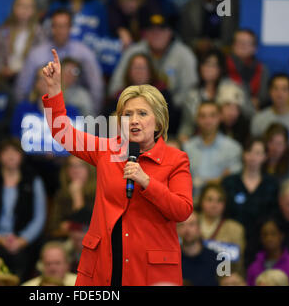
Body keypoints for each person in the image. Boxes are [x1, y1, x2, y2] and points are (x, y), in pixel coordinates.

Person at [42, 49, 193, 286]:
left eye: (142, 113)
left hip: (149, 272)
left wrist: (147, 182)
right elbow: (63, 134)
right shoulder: (107, 150)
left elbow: (182, 210)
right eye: (127, 114)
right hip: (103, 266)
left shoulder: (176, 159)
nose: (134, 120)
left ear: (159, 121)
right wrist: (54, 90)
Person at [0, 138, 47, 282]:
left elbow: (40, 217)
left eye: (15, 151)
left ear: (21, 155)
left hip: (24, 241)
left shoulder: (33, 179)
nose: (11, 156)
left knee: (27, 257)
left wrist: (21, 240)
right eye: (6, 152)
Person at [15, 9, 104, 113]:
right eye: (56, 26)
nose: (60, 30)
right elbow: (22, 87)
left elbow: (96, 86)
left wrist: (94, 115)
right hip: (42, 101)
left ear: (70, 28)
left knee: (83, 97)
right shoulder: (36, 54)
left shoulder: (84, 53)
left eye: (64, 26)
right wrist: (25, 109)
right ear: (51, 28)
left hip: (74, 101)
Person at [11, 68, 80, 198]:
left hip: (60, 166)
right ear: (35, 84)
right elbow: (14, 139)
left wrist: (58, 154)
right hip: (29, 163)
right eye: (42, 78)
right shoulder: (23, 109)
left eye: (51, 78)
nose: (46, 82)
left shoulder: (71, 111)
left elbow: (76, 145)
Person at [109, 13, 197, 111]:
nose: (156, 34)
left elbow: (190, 90)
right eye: (151, 30)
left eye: (161, 29)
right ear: (145, 33)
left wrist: (161, 108)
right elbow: (115, 87)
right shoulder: (133, 52)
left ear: (170, 32)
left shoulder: (184, 55)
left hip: (173, 111)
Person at [178, 49, 250, 142]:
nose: (208, 68)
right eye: (205, 64)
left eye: (213, 65)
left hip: (230, 136)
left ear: (221, 68)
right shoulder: (192, 94)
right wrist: (183, 137)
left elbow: (248, 114)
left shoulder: (233, 88)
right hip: (200, 138)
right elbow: (187, 124)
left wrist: (233, 114)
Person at [222, 138, 279, 248]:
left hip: (262, 242)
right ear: (243, 154)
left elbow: (274, 216)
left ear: (265, 157)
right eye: (249, 151)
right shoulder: (229, 182)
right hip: (232, 240)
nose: (253, 157)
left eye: (258, 153)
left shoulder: (272, 184)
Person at [106, 53, 180, 135]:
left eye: (142, 68)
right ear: (129, 72)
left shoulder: (162, 93)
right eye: (135, 68)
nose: (139, 72)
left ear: (150, 71)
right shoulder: (120, 95)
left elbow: (170, 121)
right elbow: (108, 120)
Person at [183, 101, 242, 199]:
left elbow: (233, 180)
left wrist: (202, 182)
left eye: (212, 115)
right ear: (197, 119)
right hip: (191, 203)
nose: (208, 120)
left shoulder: (233, 148)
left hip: (222, 204)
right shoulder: (187, 148)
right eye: (203, 116)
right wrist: (219, 179)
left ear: (220, 118)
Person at [0, 0, 46, 83]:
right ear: (14, 7)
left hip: (30, 78)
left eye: (29, 6)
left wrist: (20, 71)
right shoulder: (3, 30)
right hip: (6, 77)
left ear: (34, 10)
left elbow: (40, 60)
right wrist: (2, 69)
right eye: (21, 5)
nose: (25, 9)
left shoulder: (39, 32)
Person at [197, 182, 246, 274]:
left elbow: (238, 264)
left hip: (223, 277)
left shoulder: (235, 229)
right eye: (209, 199)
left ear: (225, 204)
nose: (214, 204)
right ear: (201, 201)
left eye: (219, 200)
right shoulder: (188, 223)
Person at [251, 73, 289, 156]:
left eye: (284, 89)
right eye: (275, 88)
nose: (279, 93)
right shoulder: (259, 119)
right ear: (270, 92)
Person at [48, 155, 95, 239]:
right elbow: (54, 225)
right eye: (71, 166)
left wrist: (77, 196)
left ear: (90, 169)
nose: (75, 170)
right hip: (65, 240)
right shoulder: (62, 194)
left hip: (92, 240)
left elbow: (89, 225)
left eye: (80, 166)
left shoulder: (99, 193)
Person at [246, 217, 289, 286]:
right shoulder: (253, 268)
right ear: (260, 238)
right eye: (265, 235)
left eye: (273, 234)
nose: (269, 238)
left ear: (281, 236)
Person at [226, 29, 270, 110]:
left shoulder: (262, 69)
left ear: (255, 48)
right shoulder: (223, 65)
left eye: (247, 43)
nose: (243, 45)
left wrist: (258, 102)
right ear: (233, 45)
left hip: (254, 110)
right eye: (239, 42)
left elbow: (264, 97)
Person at [177, 211, 220, 286]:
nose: (187, 230)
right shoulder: (173, 259)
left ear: (199, 228)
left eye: (191, 224)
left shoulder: (216, 259)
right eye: (182, 225)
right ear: (176, 229)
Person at [217, 82, 251, 147]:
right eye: (228, 107)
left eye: (236, 108)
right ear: (220, 109)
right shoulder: (213, 124)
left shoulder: (244, 126)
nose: (232, 113)